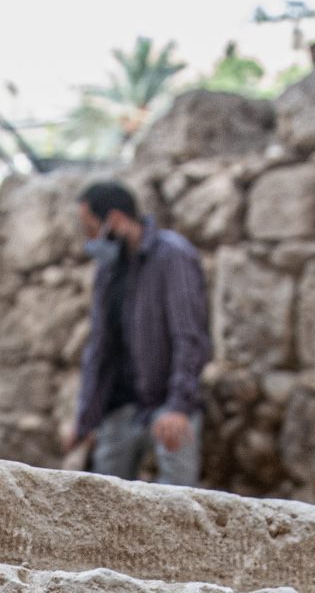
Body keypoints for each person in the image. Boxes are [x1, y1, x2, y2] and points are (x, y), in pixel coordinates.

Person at [63, 180, 212, 488]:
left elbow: (189, 337)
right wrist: (85, 419)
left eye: (91, 229)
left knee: (177, 509)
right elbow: (99, 347)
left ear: (115, 220)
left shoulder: (173, 256)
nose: (89, 240)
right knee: (103, 504)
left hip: (168, 406)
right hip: (120, 409)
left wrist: (178, 406)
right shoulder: (109, 269)